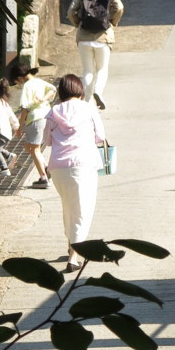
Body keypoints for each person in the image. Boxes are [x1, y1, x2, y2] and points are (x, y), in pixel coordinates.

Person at [42, 73, 105, 270]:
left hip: (59, 168)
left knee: (69, 207)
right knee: (82, 211)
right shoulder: (88, 109)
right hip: (83, 165)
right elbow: (100, 137)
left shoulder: (53, 112)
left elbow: (47, 141)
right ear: (80, 90)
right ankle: (73, 258)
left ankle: (71, 247)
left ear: (61, 91)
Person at [66, 0, 123, 108]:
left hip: (84, 37)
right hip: (103, 37)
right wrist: (112, 22)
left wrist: (78, 23)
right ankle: (98, 91)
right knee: (102, 69)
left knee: (87, 70)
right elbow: (119, 7)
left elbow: (71, 12)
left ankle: (87, 100)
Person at [7, 59, 56, 189]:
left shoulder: (27, 86)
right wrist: (44, 99)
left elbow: (25, 108)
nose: (17, 84)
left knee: (34, 149)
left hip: (35, 119)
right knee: (28, 146)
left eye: (16, 82)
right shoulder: (39, 81)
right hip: (47, 117)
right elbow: (53, 89)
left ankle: (44, 178)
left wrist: (20, 127)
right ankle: (45, 168)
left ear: (19, 78)